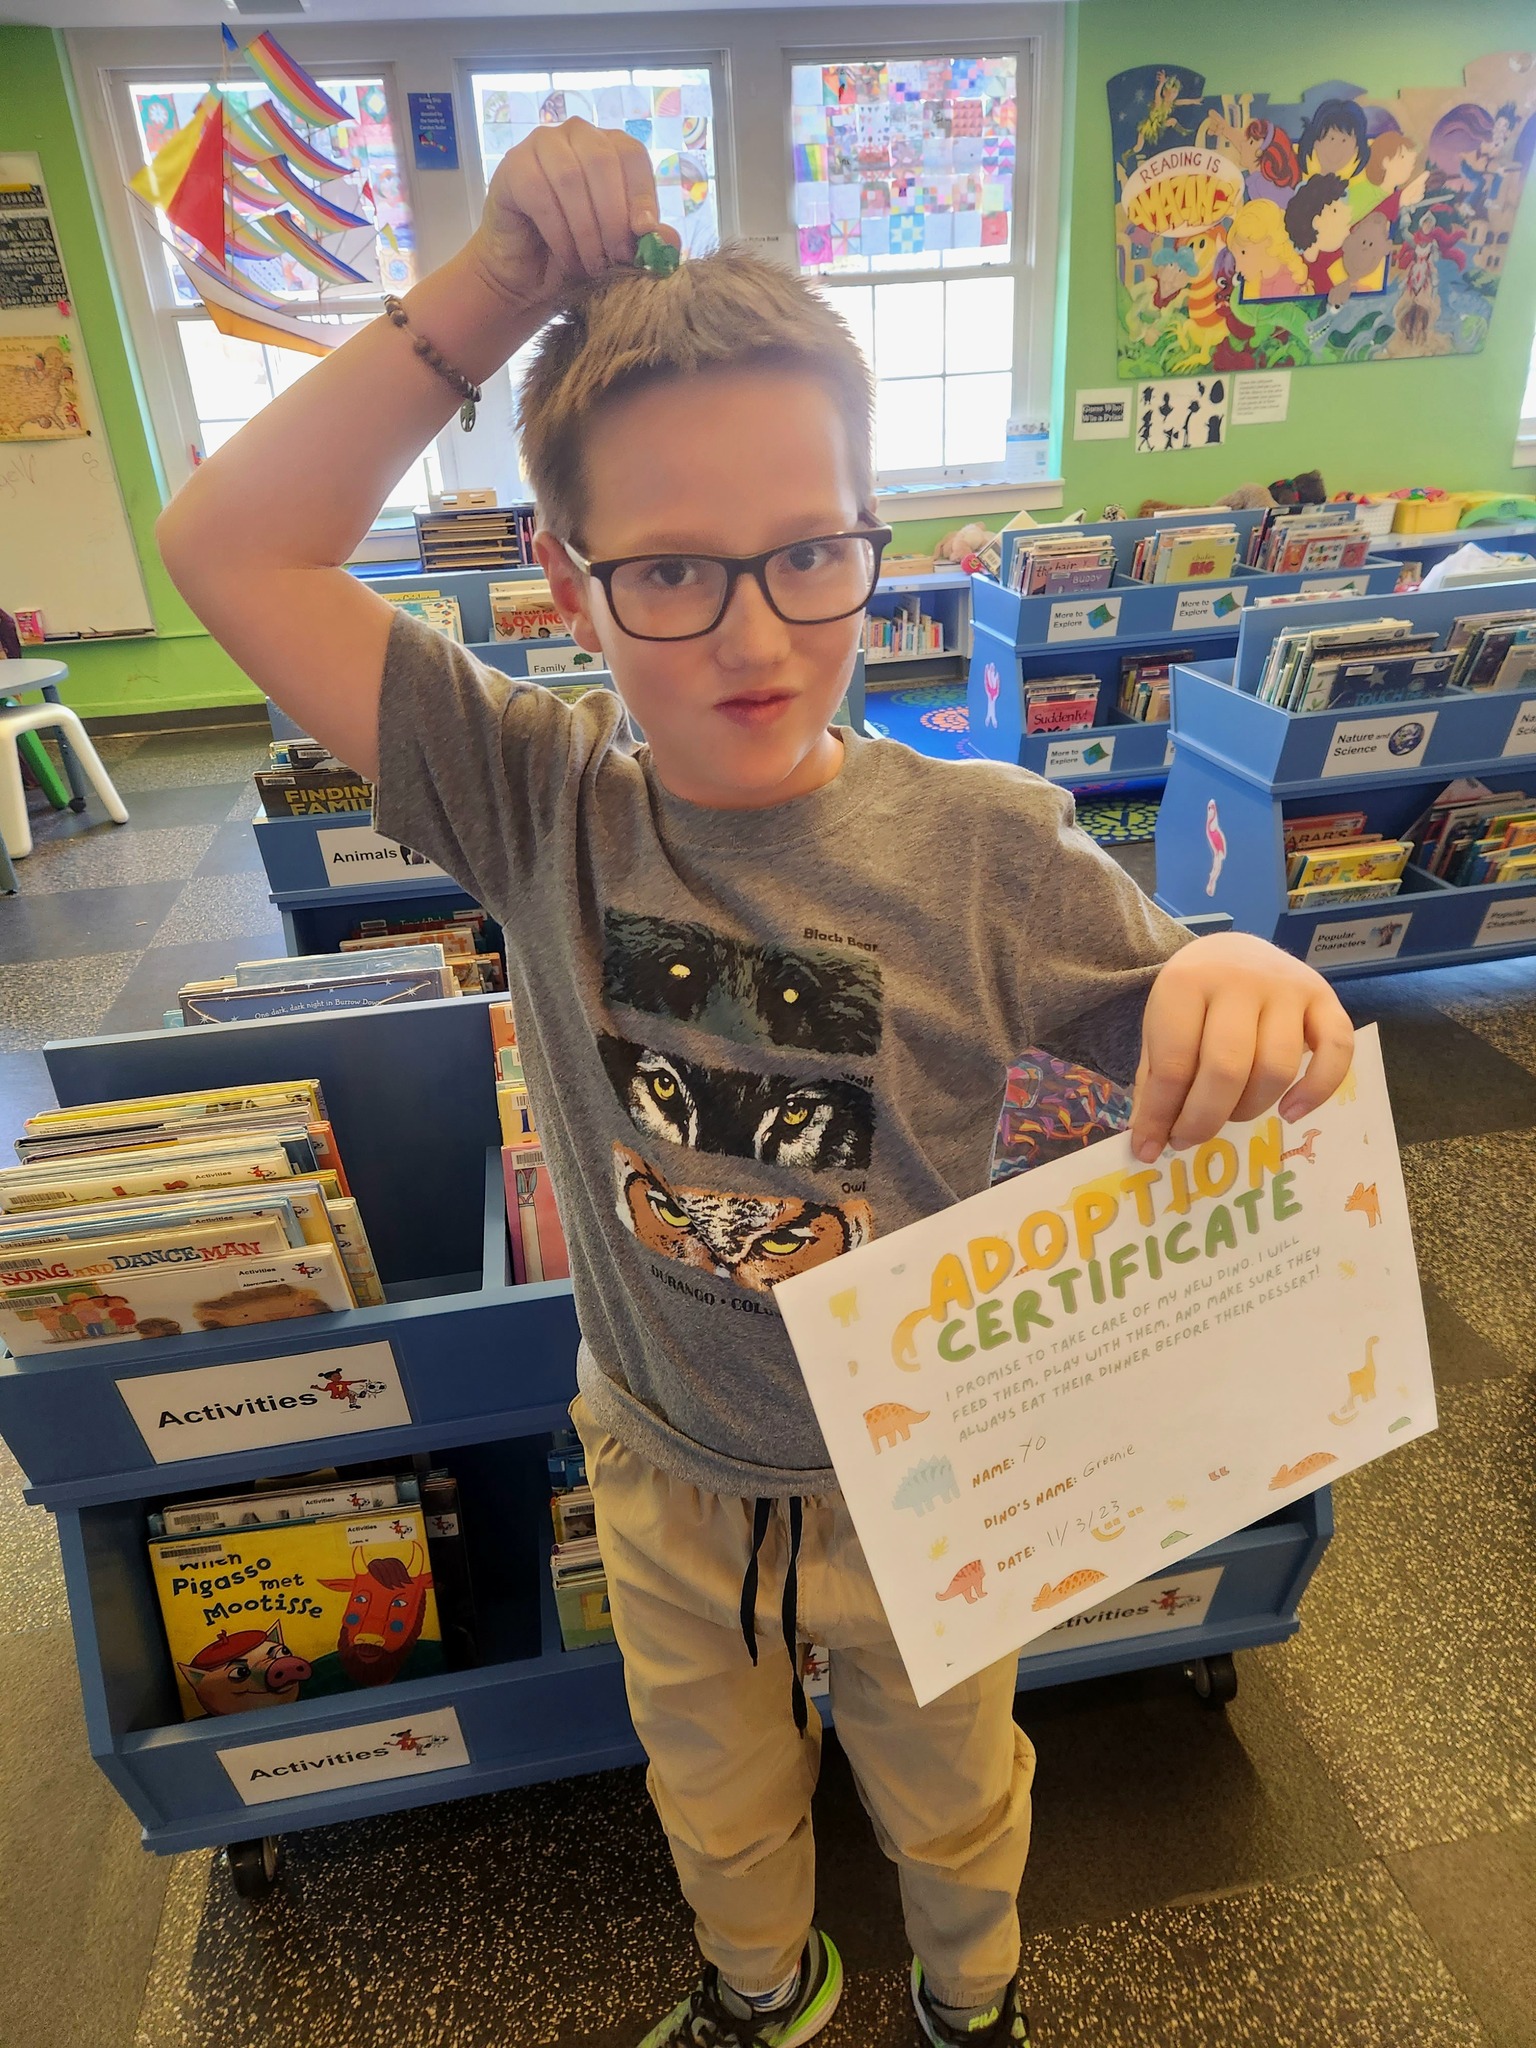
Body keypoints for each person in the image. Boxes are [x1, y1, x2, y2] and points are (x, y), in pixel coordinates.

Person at [157, 118, 1354, 2048]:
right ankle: (762, 1994)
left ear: (875, 533)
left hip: (929, 1472)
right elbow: (229, 543)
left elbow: (1196, 1015)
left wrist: (1242, 968)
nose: (755, 634)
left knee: (956, 1803)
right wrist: (497, 287)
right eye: (670, 572)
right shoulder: (534, 798)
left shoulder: (986, 848)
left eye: (811, 553)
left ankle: (972, 2003)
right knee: (714, 1807)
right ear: (566, 584)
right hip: (665, 1461)